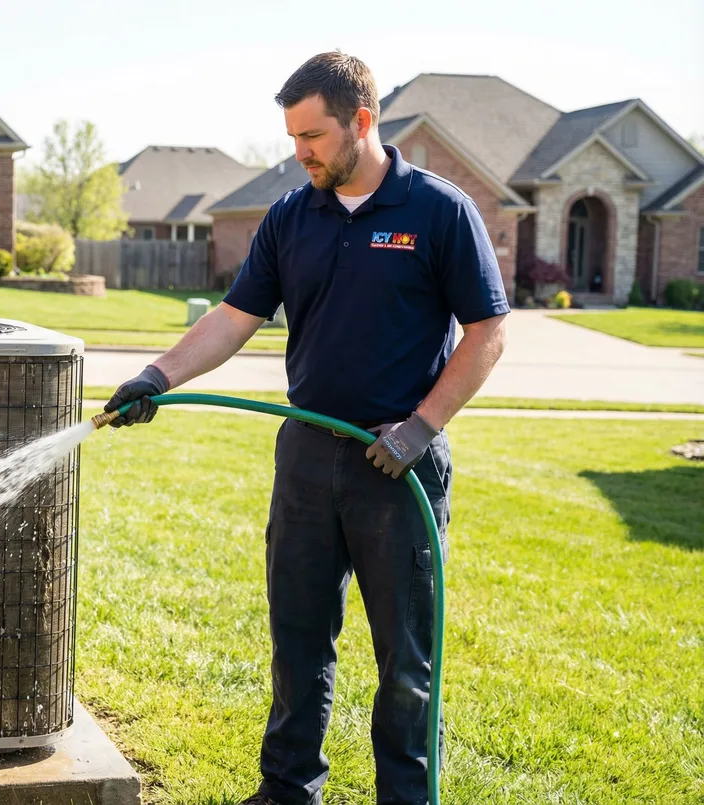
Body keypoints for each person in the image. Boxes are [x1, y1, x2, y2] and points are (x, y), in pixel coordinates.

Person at [104, 51, 509, 805]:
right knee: (296, 639)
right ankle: (287, 789)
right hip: (306, 462)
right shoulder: (293, 216)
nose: (300, 152)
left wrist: (420, 428)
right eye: (292, 137)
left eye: (313, 135)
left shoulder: (439, 211)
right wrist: (157, 376)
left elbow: (488, 331)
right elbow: (234, 317)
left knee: (406, 661)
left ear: (362, 121)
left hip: (399, 468)